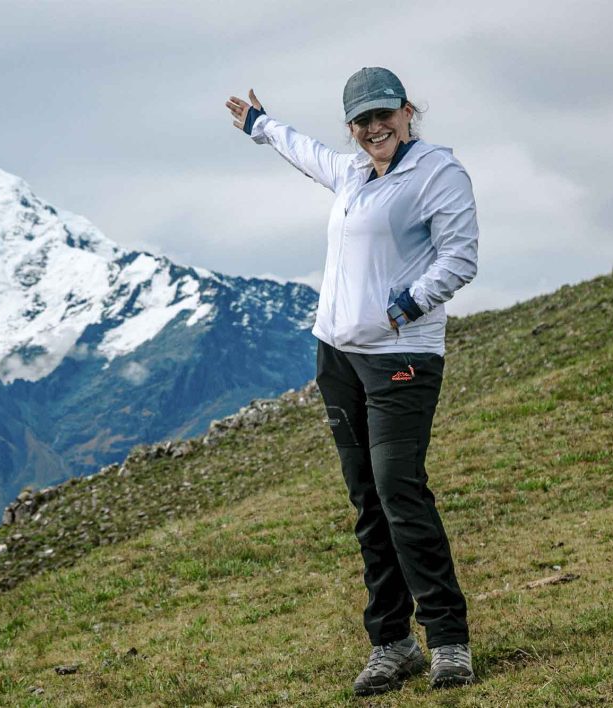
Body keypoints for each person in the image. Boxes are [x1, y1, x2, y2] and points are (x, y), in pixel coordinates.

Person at [225, 67, 479, 696]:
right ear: (352, 127)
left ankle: (448, 640)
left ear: (407, 111)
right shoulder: (351, 172)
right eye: (362, 120)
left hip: (402, 356)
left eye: (384, 115)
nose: (375, 128)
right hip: (337, 356)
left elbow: (461, 255)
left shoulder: (438, 173)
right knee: (367, 500)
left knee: (400, 492)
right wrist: (261, 125)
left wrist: (407, 304)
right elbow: (305, 153)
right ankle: (392, 644)